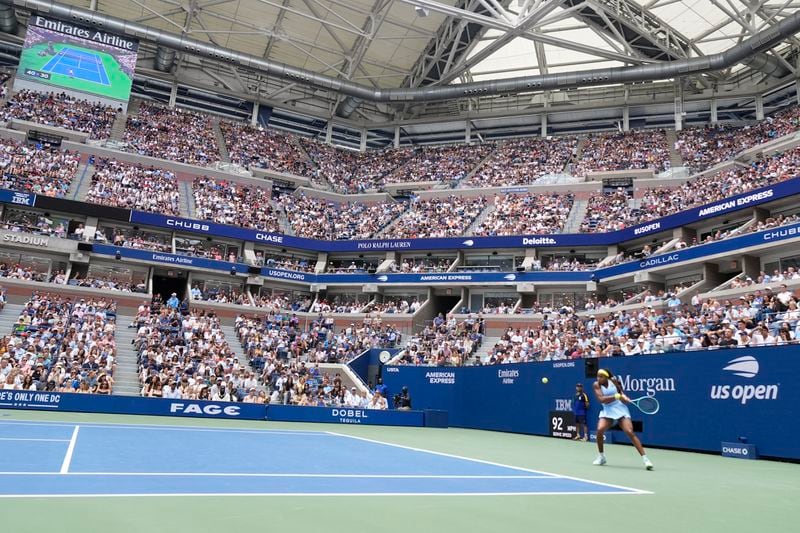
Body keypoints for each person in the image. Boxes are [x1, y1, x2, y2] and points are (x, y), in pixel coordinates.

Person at [592, 368, 654, 470]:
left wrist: (624, 398)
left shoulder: (614, 382)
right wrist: (617, 396)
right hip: (607, 410)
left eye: (601, 376)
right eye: (597, 376)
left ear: (607, 377)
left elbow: (621, 393)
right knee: (600, 430)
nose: (598, 378)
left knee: (629, 432)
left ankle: (646, 459)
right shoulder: (596, 385)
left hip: (620, 409)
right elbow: (601, 399)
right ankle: (601, 457)